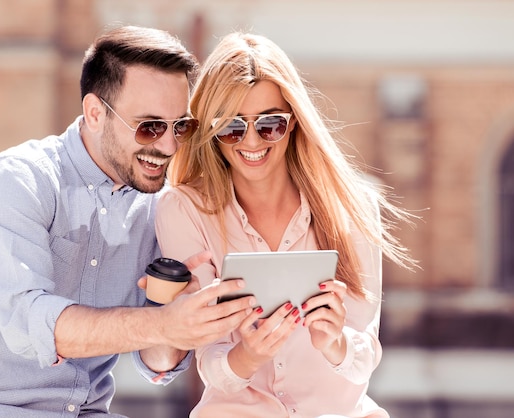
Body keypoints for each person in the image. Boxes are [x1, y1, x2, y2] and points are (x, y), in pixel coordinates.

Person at [0, 26, 256, 418]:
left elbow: (157, 362)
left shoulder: (159, 206)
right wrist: (159, 323)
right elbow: (33, 324)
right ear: (94, 113)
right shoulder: (18, 181)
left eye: (181, 126)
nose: (169, 146)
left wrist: (175, 312)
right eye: (150, 126)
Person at [155, 32, 417, 418]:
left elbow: (364, 358)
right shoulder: (183, 209)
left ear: (293, 122)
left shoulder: (353, 205)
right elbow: (209, 362)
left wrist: (334, 342)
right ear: (211, 130)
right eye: (230, 126)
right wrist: (247, 356)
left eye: (270, 124)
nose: (251, 141)